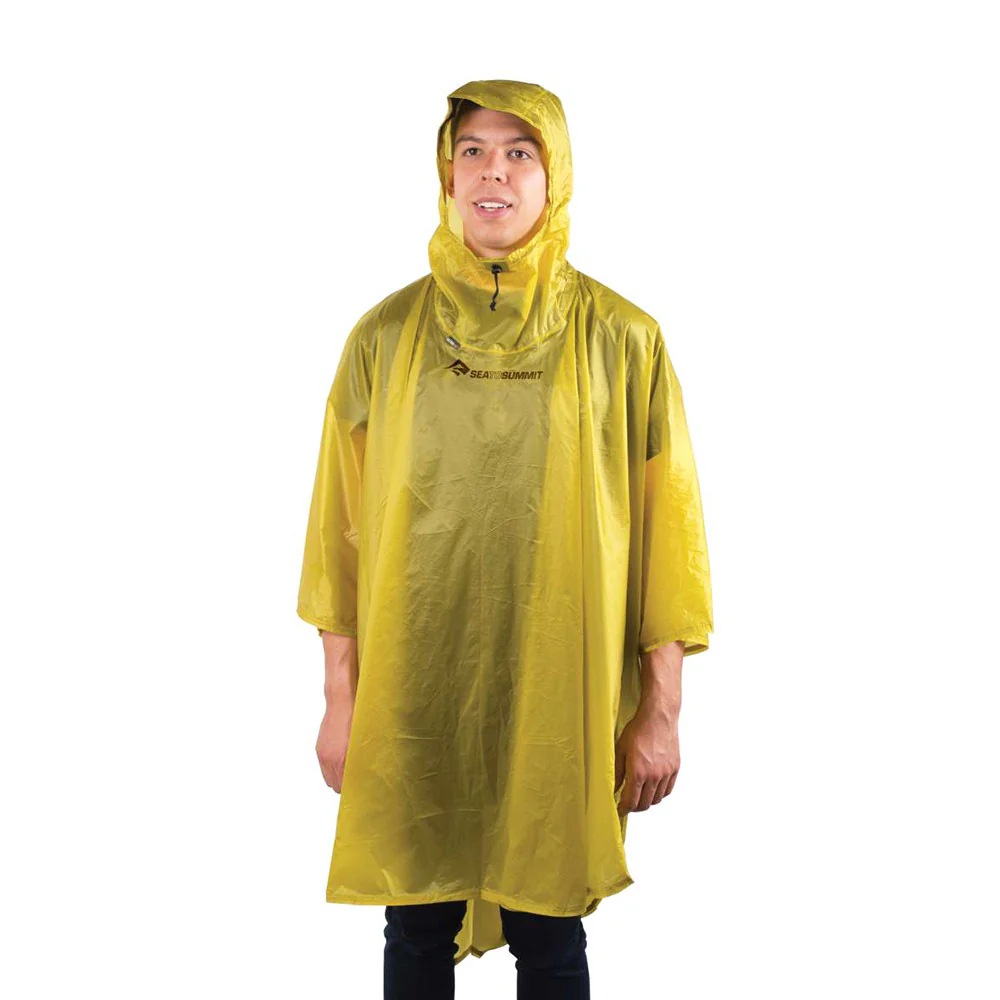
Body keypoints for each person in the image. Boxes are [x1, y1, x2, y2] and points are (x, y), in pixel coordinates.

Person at [297, 79, 713, 1000]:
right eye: (474, 152)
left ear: (555, 175)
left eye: (520, 153)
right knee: (415, 925)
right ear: (446, 175)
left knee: (550, 928)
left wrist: (663, 709)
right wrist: (339, 700)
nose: (495, 173)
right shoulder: (384, 338)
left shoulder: (623, 340)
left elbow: (669, 538)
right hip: (417, 697)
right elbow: (339, 535)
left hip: (563, 694)